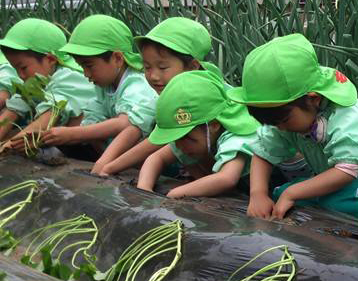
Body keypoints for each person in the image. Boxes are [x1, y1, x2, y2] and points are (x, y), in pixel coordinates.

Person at [227, 34, 358, 220]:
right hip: (340, 180)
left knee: (331, 203)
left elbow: (346, 171)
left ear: (313, 99)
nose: (281, 129)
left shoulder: (346, 118)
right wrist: (258, 194)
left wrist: (293, 193)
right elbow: (264, 151)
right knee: (279, 192)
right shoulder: (286, 115)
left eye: (284, 121)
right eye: (274, 124)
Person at [94, 17, 223, 177]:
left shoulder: (204, 94)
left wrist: (107, 166)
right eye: (147, 67)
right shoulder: (172, 91)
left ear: (192, 67)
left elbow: (152, 143)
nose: (153, 76)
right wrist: (108, 167)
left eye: (162, 67)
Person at [45, 15, 157, 173]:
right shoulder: (105, 86)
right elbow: (93, 119)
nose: (85, 73)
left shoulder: (136, 85)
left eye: (89, 66)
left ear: (117, 58)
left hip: (156, 166)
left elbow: (127, 123)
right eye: (82, 66)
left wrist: (72, 134)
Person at [137, 70, 262, 198]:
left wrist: (175, 194)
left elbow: (227, 178)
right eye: (176, 139)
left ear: (213, 125)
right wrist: (144, 188)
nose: (180, 146)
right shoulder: (188, 138)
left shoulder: (235, 136)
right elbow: (156, 158)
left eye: (187, 138)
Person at [0, 19, 96, 150]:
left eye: (23, 68)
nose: (20, 75)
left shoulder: (69, 76)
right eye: (16, 69)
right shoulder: (39, 79)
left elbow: (47, 118)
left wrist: (7, 147)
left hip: (95, 148)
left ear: (50, 59)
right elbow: (14, 108)